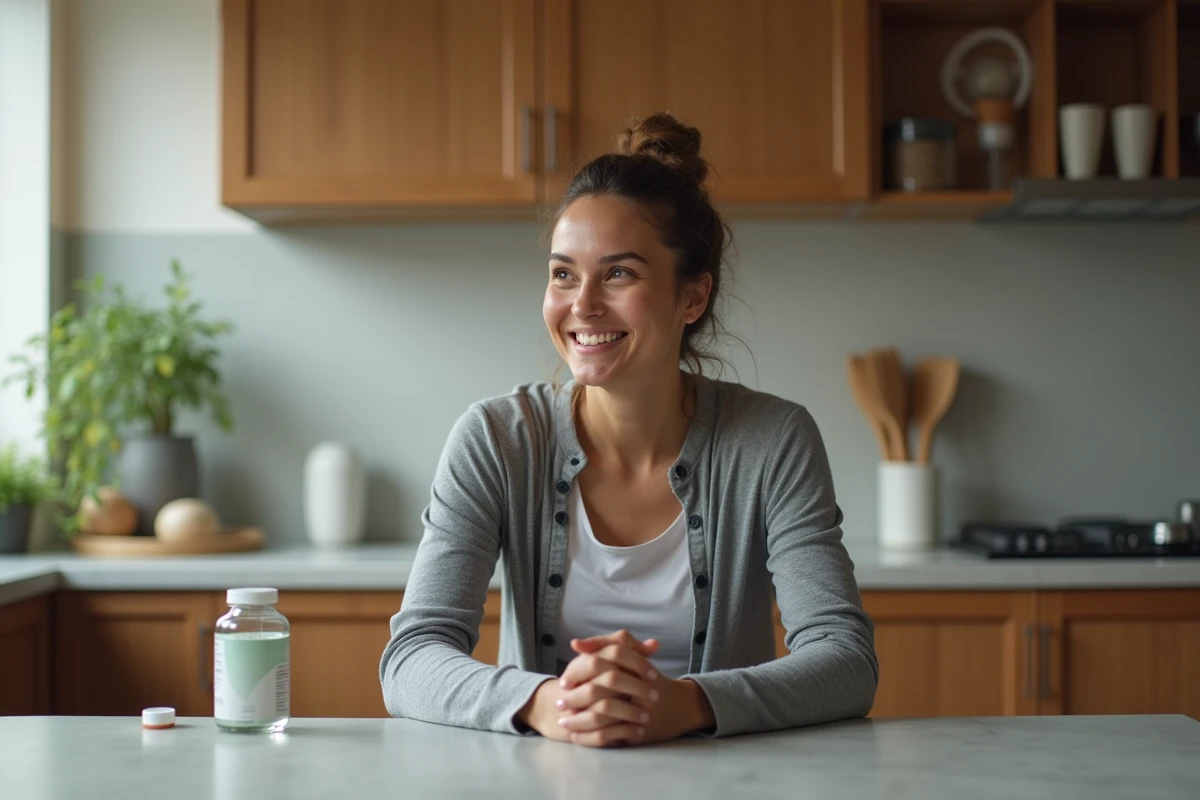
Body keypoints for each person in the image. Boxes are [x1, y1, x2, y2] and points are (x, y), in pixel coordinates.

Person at [380, 113, 878, 748]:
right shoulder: (496, 439)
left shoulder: (772, 439)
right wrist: (540, 701)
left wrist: (688, 704)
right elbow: (410, 658)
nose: (582, 304)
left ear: (692, 298)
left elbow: (846, 660)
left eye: (619, 273)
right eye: (563, 273)